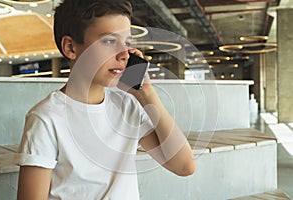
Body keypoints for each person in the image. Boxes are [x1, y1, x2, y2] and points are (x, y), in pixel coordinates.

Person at [16, 0, 196, 199]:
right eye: (109, 41)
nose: (123, 54)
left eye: (127, 43)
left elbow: (184, 165)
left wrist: (146, 93)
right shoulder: (46, 118)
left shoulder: (127, 107)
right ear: (70, 47)